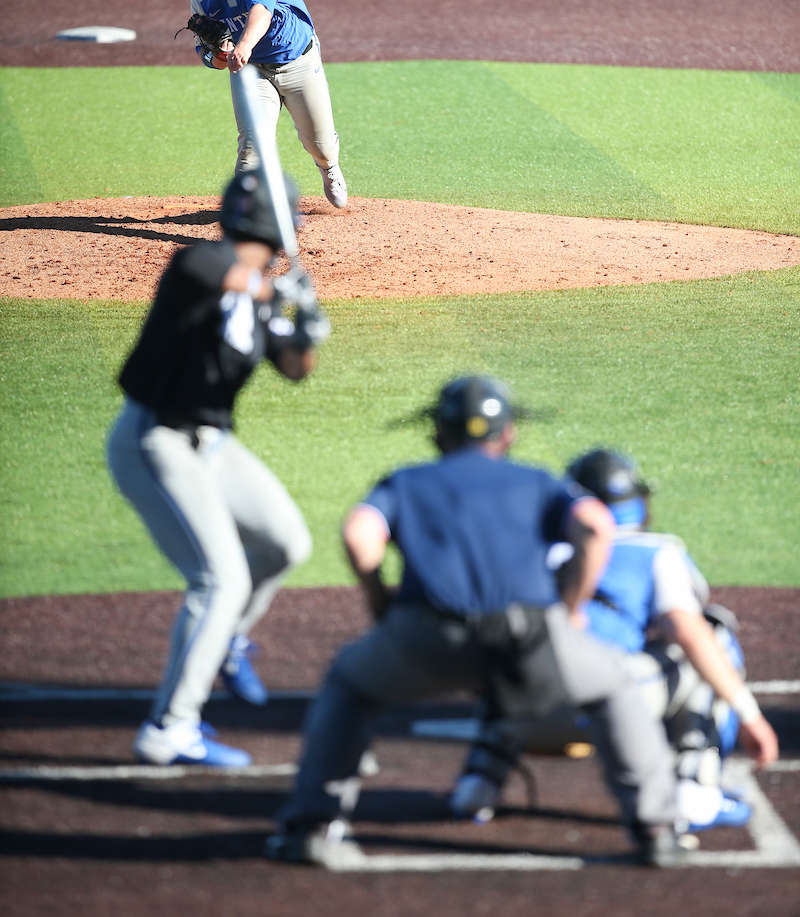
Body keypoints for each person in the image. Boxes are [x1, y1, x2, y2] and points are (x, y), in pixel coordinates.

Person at [266, 376, 685, 868]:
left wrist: (381, 603)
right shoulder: (537, 481)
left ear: (437, 434)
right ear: (508, 434)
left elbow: (359, 536)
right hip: (531, 639)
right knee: (613, 685)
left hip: (429, 636)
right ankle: (656, 830)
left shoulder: (406, 481)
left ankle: (311, 829)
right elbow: (596, 525)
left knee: (350, 683)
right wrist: (571, 607)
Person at [107, 170, 330, 767]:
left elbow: (295, 369)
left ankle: (226, 641)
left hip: (211, 443)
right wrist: (277, 293)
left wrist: (307, 328)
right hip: (155, 440)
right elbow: (218, 274)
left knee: (286, 541)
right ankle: (170, 727)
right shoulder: (199, 265)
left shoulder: (262, 297)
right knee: (219, 581)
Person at [450, 449, 779, 831]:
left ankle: (478, 783)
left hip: (525, 714)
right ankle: (695, 791)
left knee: (517, 654)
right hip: (613, 708)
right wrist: (750, 715)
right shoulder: (654, 552)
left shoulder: (532, 551)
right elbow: (687, 630)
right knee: (714, 638)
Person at [188, 0, 347, 210]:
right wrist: (220, 56)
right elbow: (205, 53)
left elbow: (261, 11)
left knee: (321, 144)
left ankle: (329, 168)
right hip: (252, 71)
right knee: (252, 150)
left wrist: (244, 45)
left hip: (297, 60)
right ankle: (245, 218)